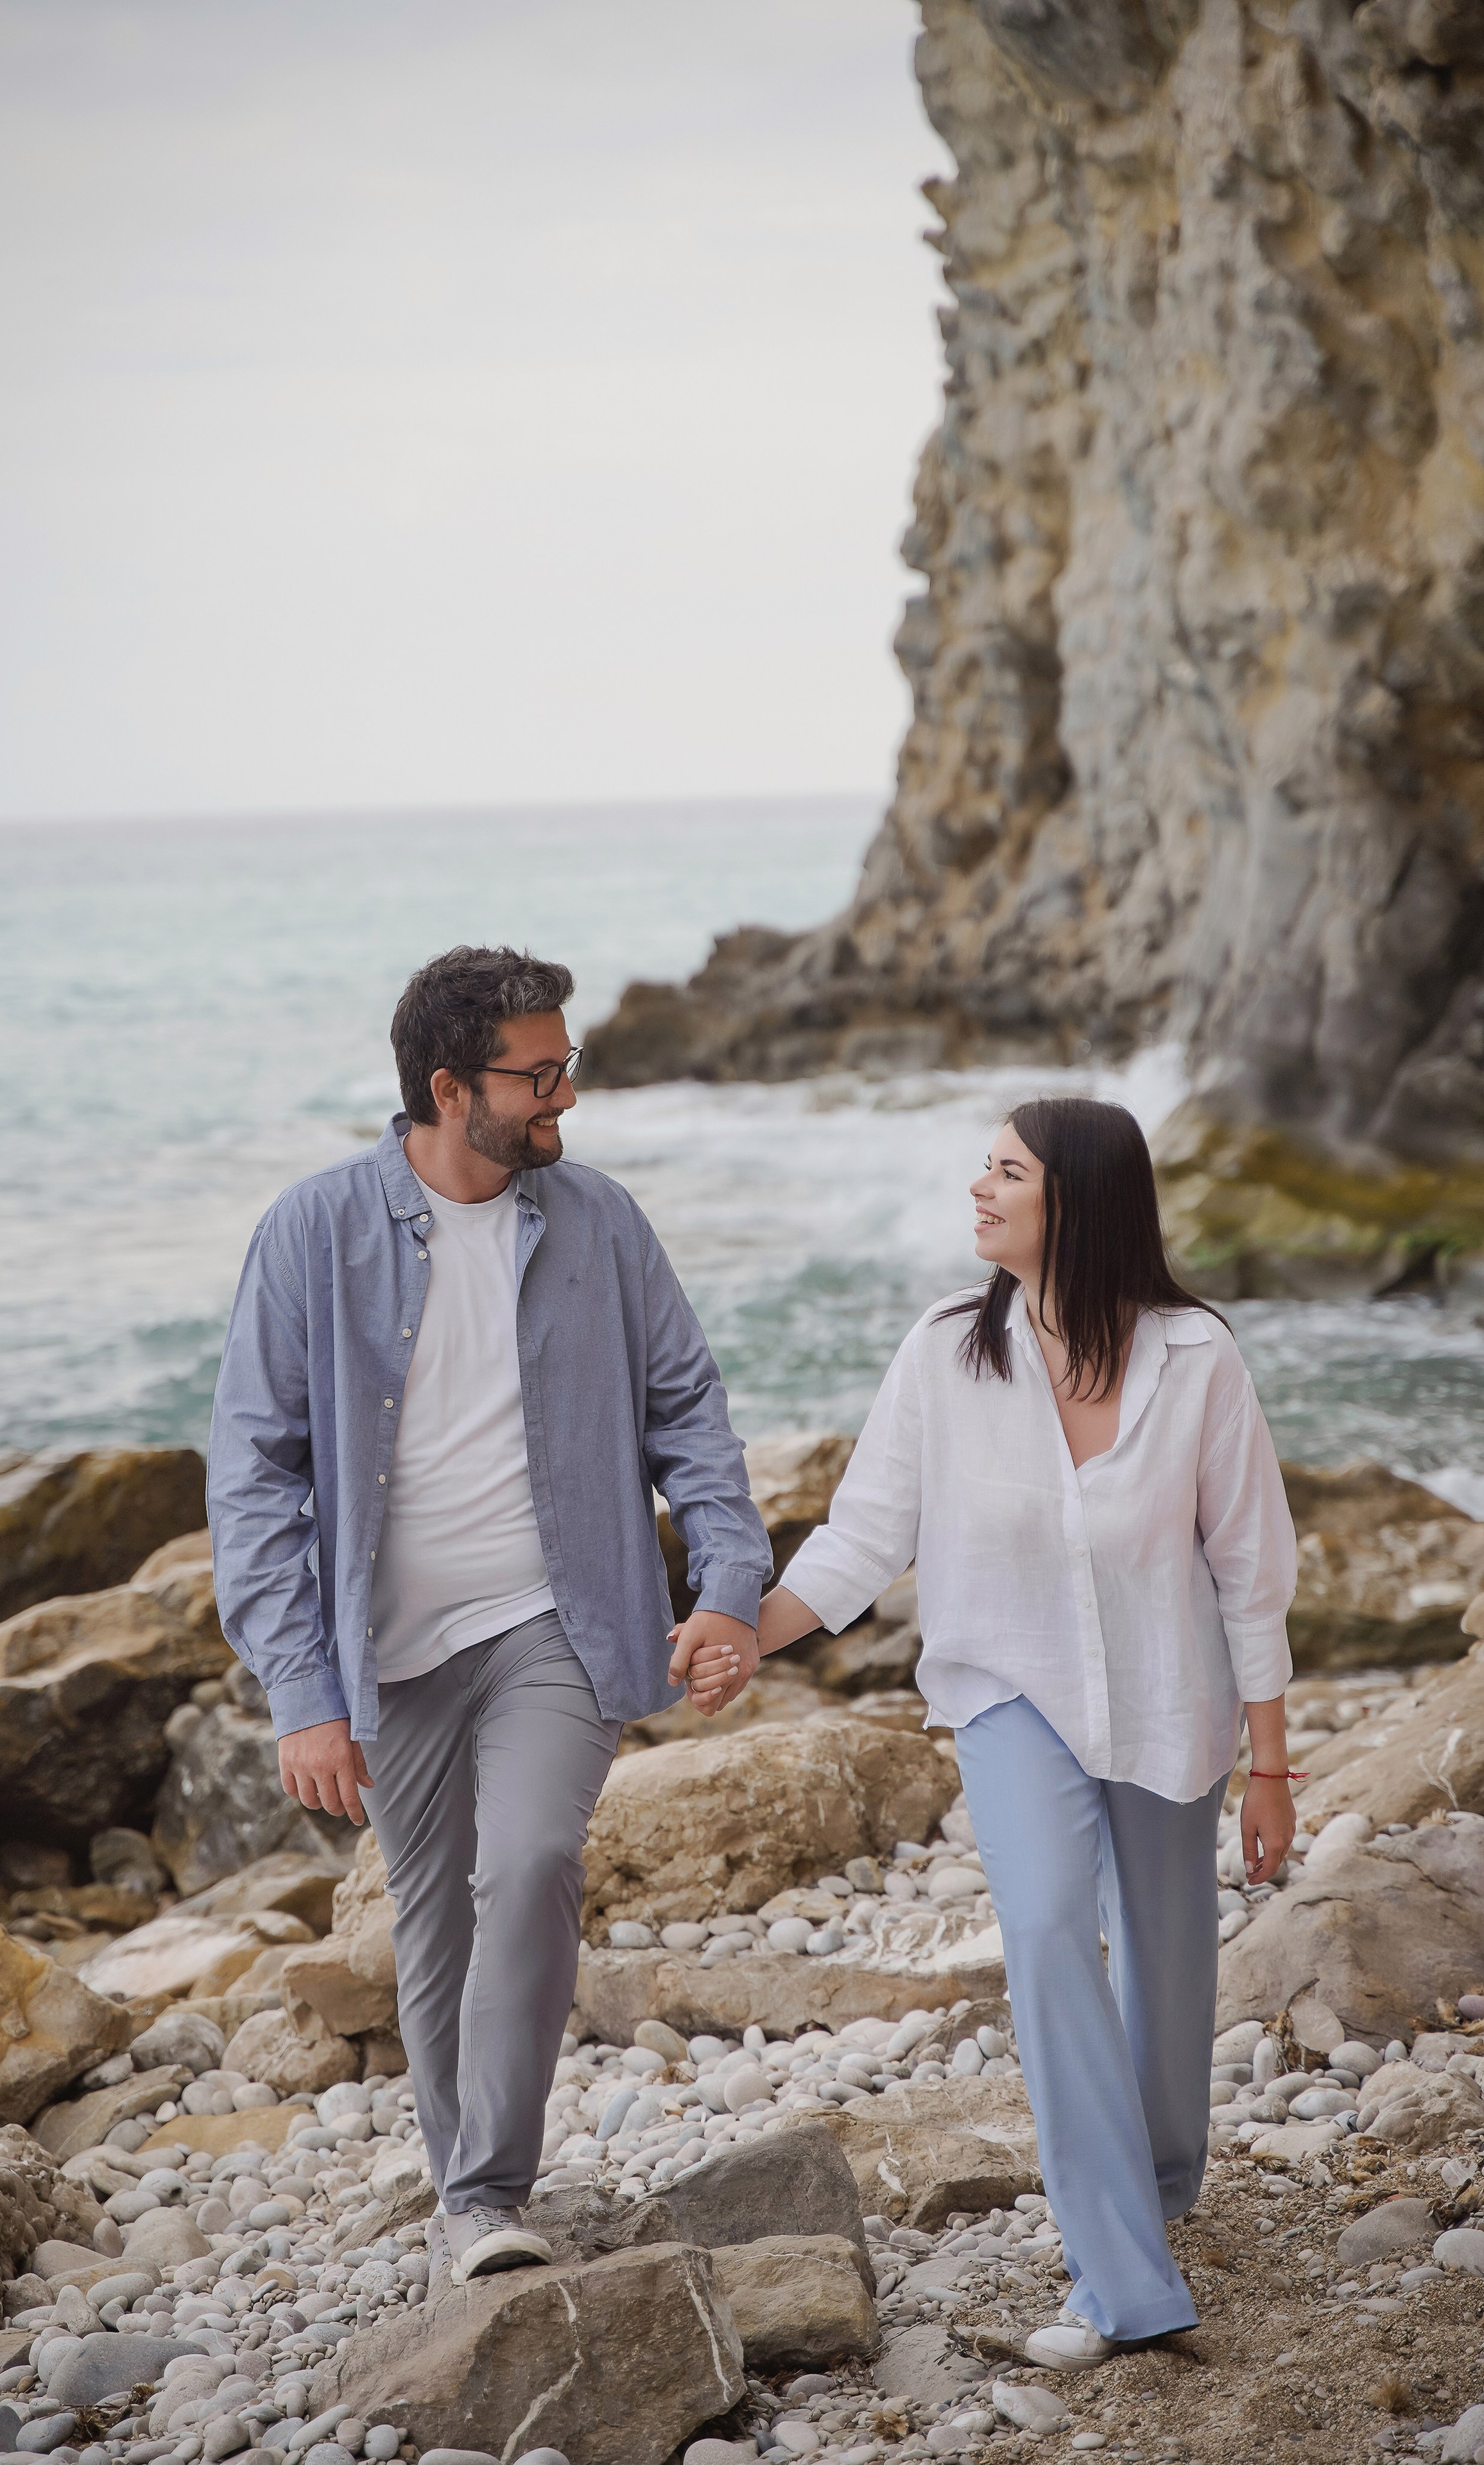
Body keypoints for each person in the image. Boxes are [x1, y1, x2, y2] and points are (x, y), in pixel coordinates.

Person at [678, 1095, 1298, 2370]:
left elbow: (1249, 1569)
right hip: (1007, 1692)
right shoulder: (942, 1354)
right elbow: (860, 1539)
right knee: (1044, 1931)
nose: (977, 1190)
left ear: (1073, 1201)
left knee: (1172, 1978)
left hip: (1167, 1702)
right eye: (982, 1168)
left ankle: (1159, 2182)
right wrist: (749, 1627)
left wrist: (1270, 1763)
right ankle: (1122, 2279)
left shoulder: (1196, 1361)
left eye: (1003, 1172)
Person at [208, 944, 770, 2287]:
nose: (563, 1096)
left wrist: (727, 1583)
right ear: (449, 1088)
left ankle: (483, 2193)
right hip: (389, 1649)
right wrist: (303, 1695)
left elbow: (686, 1410)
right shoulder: (311, 1233)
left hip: (554, 1621)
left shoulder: (599, 1222)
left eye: (564, 1066)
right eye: (539, 1073)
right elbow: (252, 1475)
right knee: (436, 1922)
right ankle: (471, 2191)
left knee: (524, 1868)